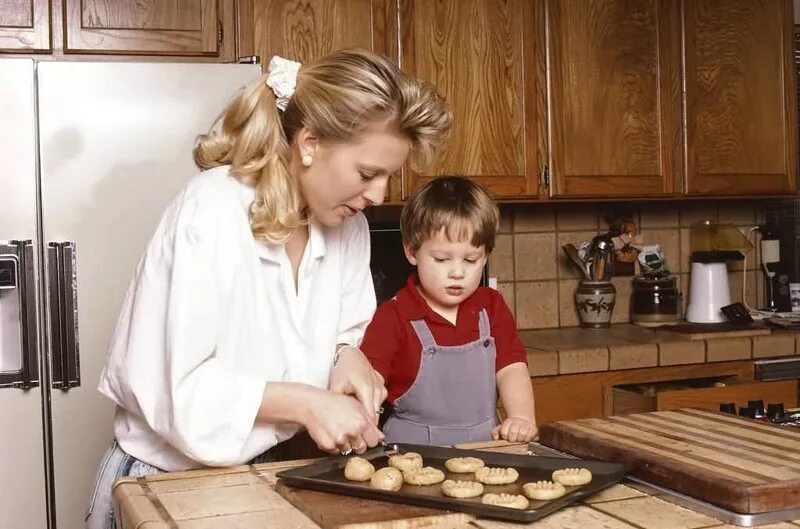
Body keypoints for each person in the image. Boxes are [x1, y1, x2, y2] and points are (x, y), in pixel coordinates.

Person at [86, 49, 451, 529]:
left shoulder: (347, 226)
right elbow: (184, 390)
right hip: (162, 484)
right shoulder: (213, 209)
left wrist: (349, 356)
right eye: (367, 174)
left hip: (263, 480)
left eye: (388, 177)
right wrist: (308, 402)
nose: (379, 195)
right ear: (309, 143)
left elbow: (346, 327)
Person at [360, 176, 537, 446]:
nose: (457, 272)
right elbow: (370, 380)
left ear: (485, 256)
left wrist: (522, 417)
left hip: (486, 450)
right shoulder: (393, 316)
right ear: (411, 252)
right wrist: (362, 417)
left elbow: (511, 368)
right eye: (442, 259)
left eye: (471, 259)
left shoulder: (491, 308)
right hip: (411, 456)